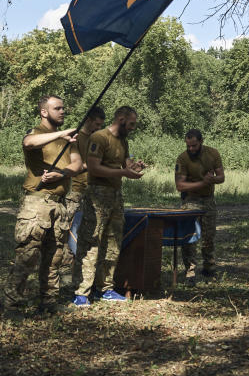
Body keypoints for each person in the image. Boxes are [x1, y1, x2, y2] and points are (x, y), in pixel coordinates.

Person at [1, 95, 81, 316]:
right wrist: (61, 134)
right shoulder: (37, 134)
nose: (63, 111)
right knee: (28, 255)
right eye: (57, 108)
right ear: (44, 112)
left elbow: (78, 164)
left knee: (54, 257)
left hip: (59, 204)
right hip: (37, 203)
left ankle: (48, 302)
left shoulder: (67, 139)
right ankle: (10, 304)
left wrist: (62, 173)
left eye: (64, 107)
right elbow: (28, 142)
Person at [74, 105, 144, 306]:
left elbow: (126, 165)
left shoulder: (122, 141)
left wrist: (135, 168)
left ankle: (105, 289)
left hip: (115, 196)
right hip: (97, 194)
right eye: (130, 124)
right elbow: (94, 169)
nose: (132, 128)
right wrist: (123, 173)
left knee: (113, 243)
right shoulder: (99, 138)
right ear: (120, 119)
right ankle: (82, 292)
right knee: (91, 241)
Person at [61, 105, 105, 289]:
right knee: (68, 236)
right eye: (96, 123)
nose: (98, 127)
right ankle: (65, 278)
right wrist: (92, 165)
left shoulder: (99, 139)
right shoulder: (76, 138)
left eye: (101, 125)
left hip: (94, 193)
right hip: (76, 192)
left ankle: (83, 279)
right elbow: (73, 165)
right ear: (88, 120)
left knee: (89, 238)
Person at [174, 129, 224, 283]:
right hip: (191, 199)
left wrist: (212, 180)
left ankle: (209, 267)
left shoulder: (213, 153)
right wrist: (202, 183)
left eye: (194, 146)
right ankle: (190, 270)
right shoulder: (182, 159)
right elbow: (180, 185)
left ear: (201, 142)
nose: (191, 149)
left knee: (209, 235)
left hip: (208, 199)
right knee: (189, 236)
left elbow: (221, 177)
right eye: (188, 146)